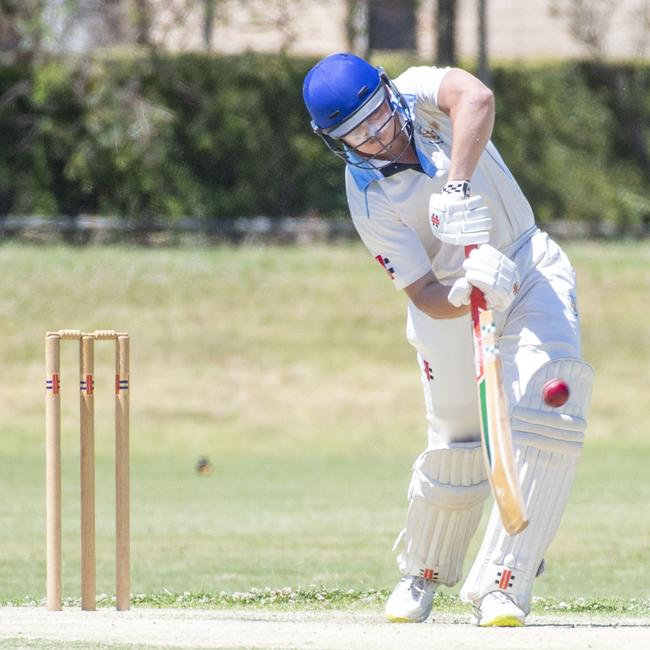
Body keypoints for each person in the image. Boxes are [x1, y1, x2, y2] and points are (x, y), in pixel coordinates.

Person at [302, 53, 594, 627]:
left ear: (388, 94)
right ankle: (425, 571)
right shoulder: (366, 194)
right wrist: (461, 296)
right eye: (354, 134)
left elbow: (478, 98)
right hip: (454, 300)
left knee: (550, 404)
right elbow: (421, 290)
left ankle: (504, 583)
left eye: (377, 117)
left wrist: (456, 186)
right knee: (458, 440)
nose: (375, 137)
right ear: (335, 142)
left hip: (527, 264)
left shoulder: (420, 91)